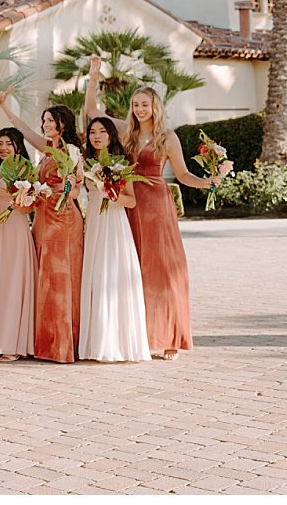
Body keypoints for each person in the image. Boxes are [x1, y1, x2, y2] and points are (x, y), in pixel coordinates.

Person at [85, 57, 230, 360]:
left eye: (144, 104)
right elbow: (91, 111)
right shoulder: (125, 132)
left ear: (155, 107)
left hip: (156, 206)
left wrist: (210, 182)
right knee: (133, 269)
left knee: (161, 270)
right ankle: (139, 334)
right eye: (136, 104)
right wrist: (94, 75)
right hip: (126, 203)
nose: (139, 109)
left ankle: (170, 337)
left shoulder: (168, 137)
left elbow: (183, 175)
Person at [0, 91, 85, 364]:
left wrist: (67, 187)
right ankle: (45, 342)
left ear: (63, 124)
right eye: (44, 121)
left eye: (51, 121)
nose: (46, 125)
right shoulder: (47, 149)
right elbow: (23, 130)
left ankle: (62, 345)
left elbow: (75, 190)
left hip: (63, 218)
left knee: (60, 279)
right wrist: (5, 107)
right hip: (43, 217)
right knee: (44, 279)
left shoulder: (72, 153)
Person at [79, 117, 150, 363]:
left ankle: (117, 342)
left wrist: (113, 193)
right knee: (96, 277)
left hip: (115, 222)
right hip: (95, 223)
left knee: (113, 277)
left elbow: (131, 200)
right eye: (92, 132)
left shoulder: (122, 163)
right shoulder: (86, 162)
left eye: (102, 131)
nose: (96, 136)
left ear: (111, 135)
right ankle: (96, 341)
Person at [0, 127, 36, 362]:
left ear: (18, 146)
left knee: (13, 282)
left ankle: (12, 343)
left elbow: (30, 208)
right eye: (0, 143)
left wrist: (19, 201)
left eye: (9, 143)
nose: (4, 148)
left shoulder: (24, 168)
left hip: (14, 225)